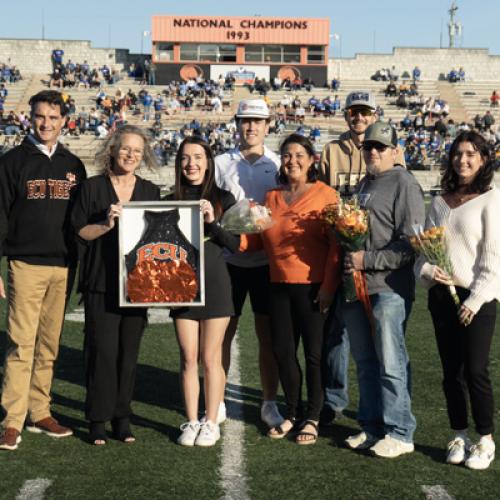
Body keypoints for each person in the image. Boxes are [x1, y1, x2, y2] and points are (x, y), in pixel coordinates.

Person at [240, 134, 341, 444]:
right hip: (278, 286)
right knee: (283, 352)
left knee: (313, 355)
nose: (292, 160)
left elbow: (337, 248)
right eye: (286, 155)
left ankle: (312, 417)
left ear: (312, 160)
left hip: (313, 288)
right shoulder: (270, 198)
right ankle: (293, 413)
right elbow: (253, 242)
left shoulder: (327, 195)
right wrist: (221, 229)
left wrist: (327, 287)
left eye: (299, 154)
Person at [0, 90, 86, 451]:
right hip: (25, 263)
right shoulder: (12, 162)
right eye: (39, 116)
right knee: (21, 343)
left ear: (64, 121)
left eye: (53, 117)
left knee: (49, 345)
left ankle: (40, 410)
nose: (46, 123)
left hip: (63, 266)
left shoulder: (74, 164)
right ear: (29, 118)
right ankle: (11, 419)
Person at [318, 91, 405, 426]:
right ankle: (334, 399)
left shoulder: (387, 150)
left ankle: (388, 411)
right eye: (353, 113)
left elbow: (398, 191)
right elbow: (323, 197)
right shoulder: (331, 151)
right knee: (335, 333)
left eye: (364, 113)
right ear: (346, 116)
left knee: (381, 342)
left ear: (373, 116)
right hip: (340, 251)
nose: (358, 118)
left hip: (375, 257)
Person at [415, 131, 500, 470]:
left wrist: (475, 300)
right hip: (441, 296)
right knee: (452, 372)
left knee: (475, 370)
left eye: (471, 154)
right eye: (457, 153)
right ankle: (459, 435)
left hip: (476, 298)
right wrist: (429, 272)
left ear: (482, 160)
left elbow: (493, 259)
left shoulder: (492, 199)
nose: (463, 159)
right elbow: (424, 253)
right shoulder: (439, 202)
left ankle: (485, 440)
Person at [71, 125, 160, 445]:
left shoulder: (150, 192)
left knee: (128, 354)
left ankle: (122, 416)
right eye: (125, 149)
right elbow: (79, 232)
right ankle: (97, 418)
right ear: (112, 149)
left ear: (144, 154)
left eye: (137, 151)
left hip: (138, 286)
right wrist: (105, 224)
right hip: (100, 281)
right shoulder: (92, 188)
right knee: (101, 353)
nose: (131, 155)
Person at [342, 121, 425, 458]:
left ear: (394, 151)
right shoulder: (364, 183)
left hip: (389, 287)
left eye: (380, 147)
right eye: (368, 147)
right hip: (359, 285)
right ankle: (373, 426)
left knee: (391, 361)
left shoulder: (404, 182)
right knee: (365, 361)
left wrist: (367, 260)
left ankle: (400, 431)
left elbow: (412, 244)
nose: (373, 151)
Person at [215, 99, 283, 428]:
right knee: (221, 334)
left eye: (258, 121)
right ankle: (218, 396)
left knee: (267, 335)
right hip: (228, 261)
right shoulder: (220, 163)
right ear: (237, 124)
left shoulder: (280, 163)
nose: (251, 127)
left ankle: (269, 401)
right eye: (245, 120)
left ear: (268, 124)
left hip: (266, 263)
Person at [169, 136, 239, 447]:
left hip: (215, 283)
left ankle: (211, 421)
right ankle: (192, 420)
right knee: (188, 357)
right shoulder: (168, 199)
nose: (191, 164)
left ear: (208, 162)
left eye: (198, 157)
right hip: (180, 286)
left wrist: (213, 222)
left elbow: (235, 245)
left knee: (211, 358)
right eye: (185, 158)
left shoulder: (225, 198)